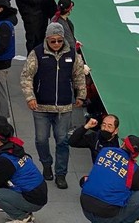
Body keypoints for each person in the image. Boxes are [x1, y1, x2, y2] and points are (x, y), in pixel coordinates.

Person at [20, 22, 86, 190]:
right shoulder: (37, 53)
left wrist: (81, 95)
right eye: (52, 41)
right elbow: (26, 76)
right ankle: (46, 164)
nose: (56, 44)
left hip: (64, 107)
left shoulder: (72, 54)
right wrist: (30, 97)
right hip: (41, 106)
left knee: (62, 141)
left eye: (59, 40)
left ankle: (61, 174)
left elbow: (79, 76)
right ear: (47, 39)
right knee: (41, 140)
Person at [0, 120, 47, 223]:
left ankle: (22, 217)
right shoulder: (15, 148)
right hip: (40, 191)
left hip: (33, 199)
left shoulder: (6, 160)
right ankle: (25, 211)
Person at [80, 134, 139, 223]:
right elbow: (137, 192)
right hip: (107, 216)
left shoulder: (105, 151)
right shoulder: (135, 169)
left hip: (86, 207)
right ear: (136, 155)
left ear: (123, 144)